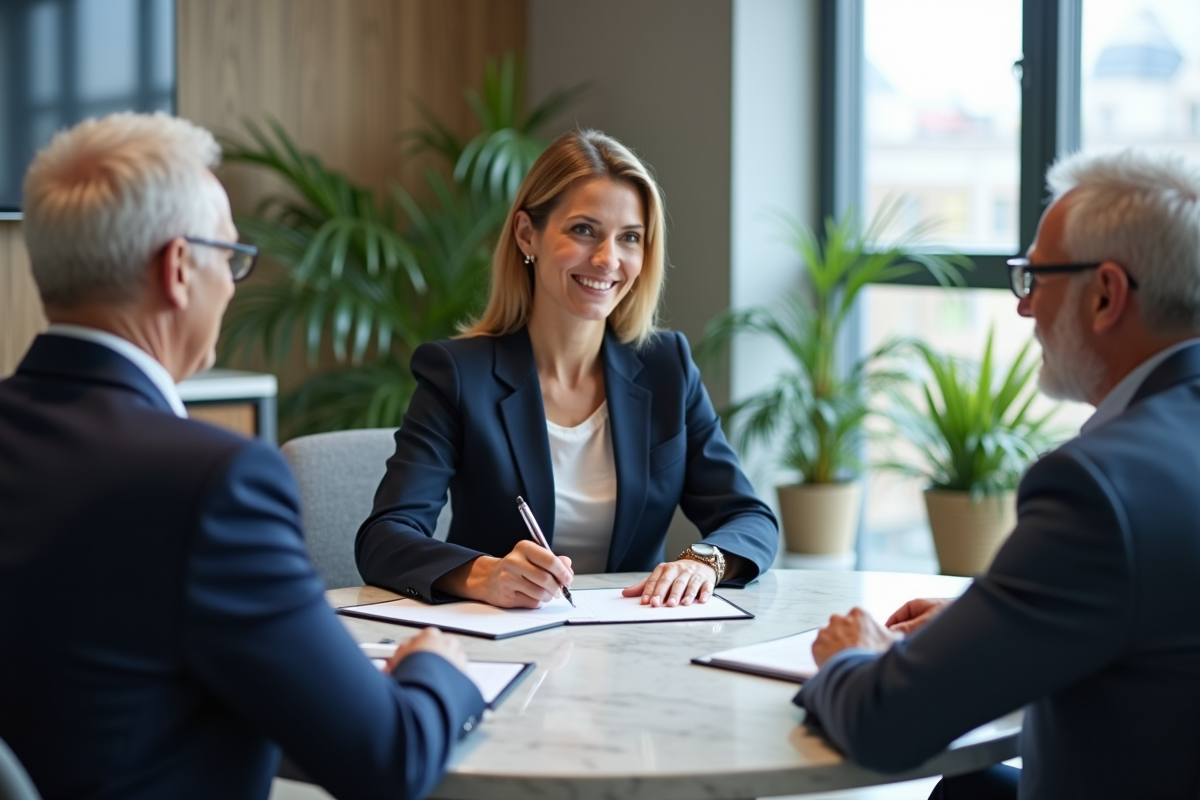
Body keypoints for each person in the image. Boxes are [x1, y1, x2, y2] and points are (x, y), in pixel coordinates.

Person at [0, 112, 485, 800]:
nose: (232, 285)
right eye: (229, 257)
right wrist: (438, 667)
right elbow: (390, 760)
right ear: (177, 269)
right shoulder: (213, 482)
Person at [795, 147, 1200, 800]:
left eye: (1035, 278)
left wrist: (853, 656)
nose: (1024, 307)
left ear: (1105, 295)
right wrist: (998, 616)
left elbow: (886, 724)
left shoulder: (1099, 489)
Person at [356, 129, 778, 610]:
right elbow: (384, 538)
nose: (607, 259)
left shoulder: (667, 366)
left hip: (636, 645)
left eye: (630, 238)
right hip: (504, 644)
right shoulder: (458, 374)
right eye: (583, 230)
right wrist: (483, 575)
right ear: (526, 234)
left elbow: (750, 516)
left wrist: (705, 560)